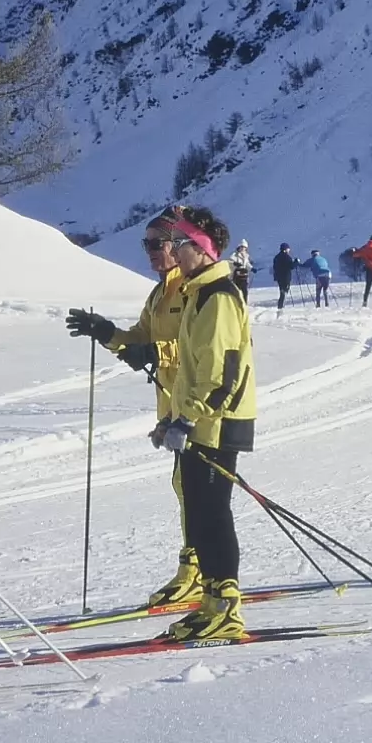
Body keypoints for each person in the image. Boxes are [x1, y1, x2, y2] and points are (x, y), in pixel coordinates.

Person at [65, 206, 201, 607]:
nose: (151, 252)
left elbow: (201, 347)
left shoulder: (192, 289)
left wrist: (157, 352)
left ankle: (198, 571)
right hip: (173, 404)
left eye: (157, 244)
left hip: (198, 404)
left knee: (195, 489)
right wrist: (106, 332)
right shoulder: (159, 294)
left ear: (178, 245)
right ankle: (198, 569)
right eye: (146, 244)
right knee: (184, 487)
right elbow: (140, 339)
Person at [154, 206, 257, 641]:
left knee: (213, 514)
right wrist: (173, 419)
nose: (174, 251)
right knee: (198, 512)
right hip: (198, 422)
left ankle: (226, 607)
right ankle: (212, 601)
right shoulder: (199, 293)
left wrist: (187, 418)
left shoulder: (218, 296)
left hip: (218, 421)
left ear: (202, 248)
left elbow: (221, 375)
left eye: (180, 243)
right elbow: (193, 370)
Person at [272, 243, 296, 310]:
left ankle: (280, 305)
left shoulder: (277, 257)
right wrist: (296, 263)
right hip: (285, 277)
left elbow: (274, 267)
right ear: (285, 249)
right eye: (288, 249)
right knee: (284, 292)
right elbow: (291, 266)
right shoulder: (287, 257)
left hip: (279, 277)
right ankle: (281, 307)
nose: (289, 250)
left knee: (282, 291)